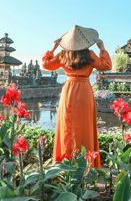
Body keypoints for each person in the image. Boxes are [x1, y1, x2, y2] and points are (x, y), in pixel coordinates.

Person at [42, 25, 112, 167]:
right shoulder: (90, 55)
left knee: (67, 127)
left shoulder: (63, 54)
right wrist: (102, 48)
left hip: (69, 91)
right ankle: (87, 166)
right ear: (85, 41)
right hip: (85, 91)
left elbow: (46, 64)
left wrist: (53, 48)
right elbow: (106, 65)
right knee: (85, 127)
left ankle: (66, 164)